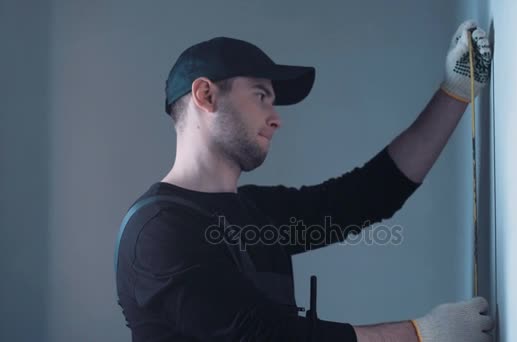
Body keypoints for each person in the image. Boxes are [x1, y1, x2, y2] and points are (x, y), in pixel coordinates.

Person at [115, 19, 494, 342]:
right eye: (261, 95)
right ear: (206, 95)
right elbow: (262, 335)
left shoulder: (254, 212)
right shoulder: (157, 231)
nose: (276, 117)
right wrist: (421, 334)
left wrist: (455, 92)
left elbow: (367, 196)